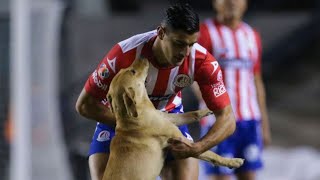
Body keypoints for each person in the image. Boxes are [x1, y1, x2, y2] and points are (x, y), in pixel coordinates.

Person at [75, 3, 236, 180]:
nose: (184, 52)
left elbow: (227, 119)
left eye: (191, 44)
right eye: (179, 43)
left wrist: (198, 147)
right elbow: (84, 105)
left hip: (169, 117)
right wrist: (138, 125)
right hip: (121, 120)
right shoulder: (125, 54)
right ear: (161, 33)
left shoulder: (202, 62)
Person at [194, 0, 272, 179]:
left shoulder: (251, 35)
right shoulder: (205, 33)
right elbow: (194, 76)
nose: (231, 2)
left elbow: (256, 80)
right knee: (220, 176)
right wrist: (211, 107)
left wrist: (264, 124)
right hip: (218, 121)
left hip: (249, 120)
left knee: (250, 175)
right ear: (215, 3)